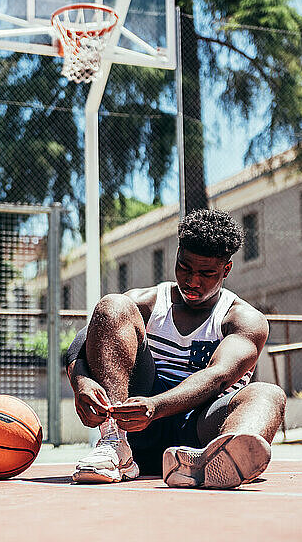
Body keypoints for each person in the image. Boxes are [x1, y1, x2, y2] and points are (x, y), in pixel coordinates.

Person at [65, 208, 286, 488]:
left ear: (226, 269)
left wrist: (156, 407)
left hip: (200, 430)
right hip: (134, 426)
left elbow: (218, 376)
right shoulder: (147, 302)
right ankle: (114, 447)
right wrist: (81, 382)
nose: (193, 281)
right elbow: (79, 344)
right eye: (185, 267)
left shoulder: (243, 319)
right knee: (113, 305)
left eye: (207, 273)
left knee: (268, 394)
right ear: (177, 254)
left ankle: (219, 460)